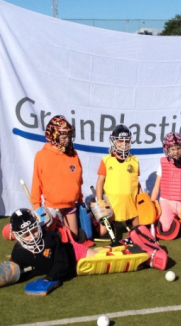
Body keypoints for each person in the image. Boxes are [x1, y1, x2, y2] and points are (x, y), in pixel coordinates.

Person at [9, 208, 152, 295]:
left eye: (34, 230)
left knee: (102, 257)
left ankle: (138, 244)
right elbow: (23, 267)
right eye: (27, 234)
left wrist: (49, 278)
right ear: (18, 236)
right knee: (101, 253)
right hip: (65, 265)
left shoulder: (51, 238)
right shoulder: (18, 253)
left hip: (74, 254)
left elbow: (63, 263)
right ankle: (126, 241)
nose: (33, 236)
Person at [30, 115, 83, 241]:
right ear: (53, 137)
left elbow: (78, 180)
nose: (68, 140)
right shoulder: (42, 156)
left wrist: (80, 200)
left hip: (70, 205)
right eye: (64, 137)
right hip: (51, 207)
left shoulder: (73, 154)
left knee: (73, 239)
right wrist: (37, 207)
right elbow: (36, 182)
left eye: (69, 137)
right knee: (51, 240)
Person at [150, 132, 181, 240]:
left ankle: (180, 220)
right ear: (167, 150)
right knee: (165, 228)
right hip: (166, 202)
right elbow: (156, 187)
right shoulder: (163, 164)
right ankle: (173, 219)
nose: (176, 152)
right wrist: (152, 203)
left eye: (178, 148)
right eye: (172, 149)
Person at [96, 124, 140, 231]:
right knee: (102, 232)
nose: (124, 144)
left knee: (140, 229)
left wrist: (141, 197)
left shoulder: (134, 160)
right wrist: (99, 200)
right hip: (111, 204)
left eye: (127, 141)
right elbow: (100, 182)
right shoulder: (106, 160)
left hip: (130, 204)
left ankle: (128, 221)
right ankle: (113, 223)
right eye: (120, 141)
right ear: (113, 141)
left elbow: (137, 183)